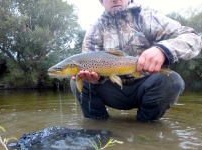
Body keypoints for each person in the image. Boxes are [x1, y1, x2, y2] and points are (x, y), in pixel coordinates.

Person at [70, 0, 202, 122]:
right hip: (111, 89)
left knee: (171, 80)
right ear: (102, 2)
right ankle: (97, 127)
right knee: (77, 80)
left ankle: (146, 128)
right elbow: (87, 61)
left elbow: (193, 38)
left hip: (146, 87)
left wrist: (163, 49)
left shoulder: (148, 19)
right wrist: (92, 78)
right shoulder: (94, 29)